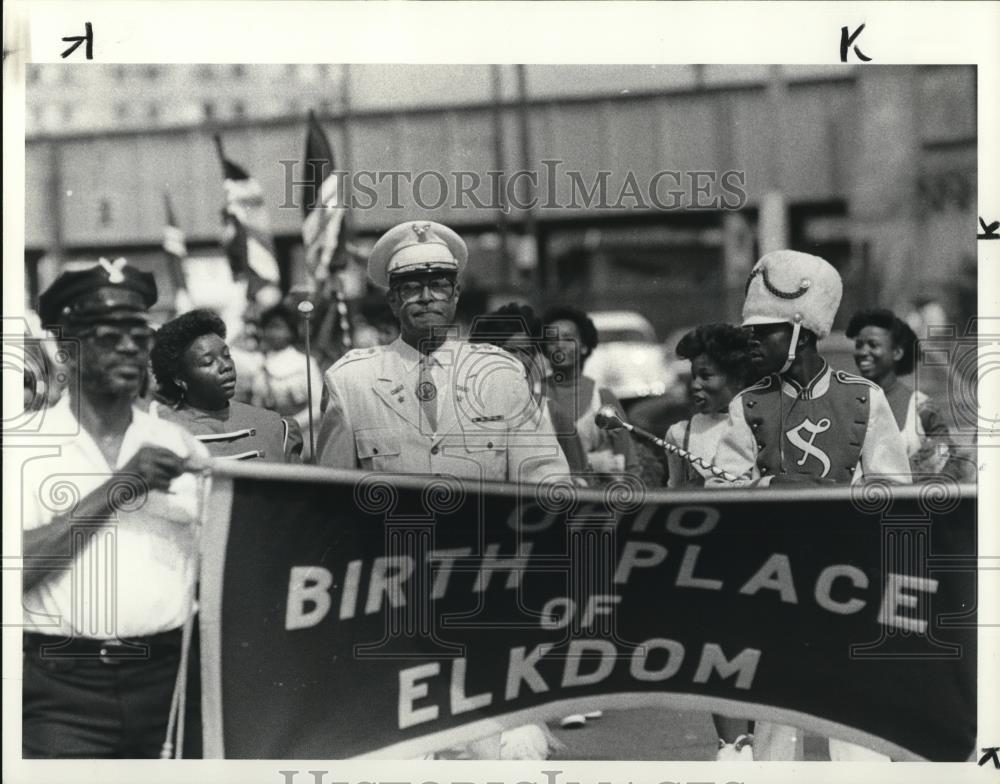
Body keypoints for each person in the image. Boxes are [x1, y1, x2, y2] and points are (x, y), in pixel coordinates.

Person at [315, 220, 570, 759]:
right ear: (392, 298)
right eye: (411, 286)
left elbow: (548, 488)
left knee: (505, 756)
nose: (426, 297)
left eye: (438, 285)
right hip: (392, 611)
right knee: (401, 759)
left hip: (489, 602)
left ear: (456, 294)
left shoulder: (500, 373)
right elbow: (328, 508)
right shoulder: (352, 381)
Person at [708, 250, 911, 762]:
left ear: (800, 331)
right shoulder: (747, 404)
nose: (754, 341)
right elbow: (725, 495)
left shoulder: (864, 398)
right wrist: (759, 496)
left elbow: (894, 495)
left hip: (849, 582)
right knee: (778, 718)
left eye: (766, 331)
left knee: (857, 718)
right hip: (773, 580)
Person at [23, 258, 208, 758]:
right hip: (62, 691)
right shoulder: (24, 449)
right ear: (67, 348)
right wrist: (120, 487)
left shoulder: (180, 446)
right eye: (108, 334)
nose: (129, 346)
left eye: (138, 333)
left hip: (171, 680)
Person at [149, 309, 303, 462]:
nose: (226, 366)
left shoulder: (274, 427)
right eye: (208, 362)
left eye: (227, 355)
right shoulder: (161, 428)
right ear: (179, 379)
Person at [846, 308, 970, 482]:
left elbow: (948, 457)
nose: (863, 352)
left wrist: (932, 462)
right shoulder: (844, 404)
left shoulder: (921, 407)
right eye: (859, 345)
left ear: (897, 352)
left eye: (873, 345)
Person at [469, 303, 589, 477]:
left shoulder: (552, 412)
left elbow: (579, 477)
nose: (518, 359)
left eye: (525, 351)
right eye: (509, 351)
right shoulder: (471, 411)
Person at [541, 306, 639, 485]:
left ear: (584, 347)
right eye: (552, 339)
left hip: (594, 500)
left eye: (568, 338)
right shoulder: (531, 394)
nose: (559, 344)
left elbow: (629, 461)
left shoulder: (602, 397)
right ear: (545, 348)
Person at [248, 303, 323, 460]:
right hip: (272, 439)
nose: (273, 333)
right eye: (269, 327)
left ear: (290, 331)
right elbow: (257, 405)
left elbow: (317, 408)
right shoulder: (259, 364)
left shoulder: (305, 362)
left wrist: (288, 426)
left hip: (305, 437)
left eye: (279, 327)